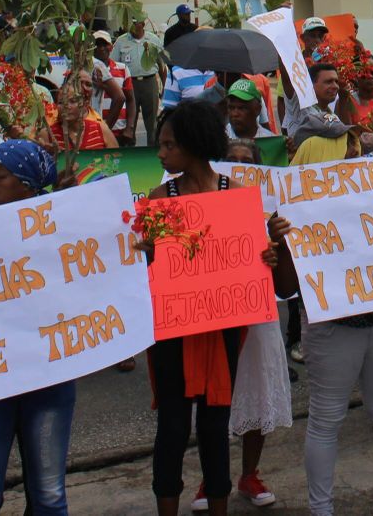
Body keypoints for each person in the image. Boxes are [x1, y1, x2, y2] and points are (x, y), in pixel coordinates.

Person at [267, 185, 373, 516]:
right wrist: (281, 241)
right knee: (326, 419)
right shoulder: (301, 201)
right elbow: (286, 288)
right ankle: (321, 510)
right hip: (332, 328)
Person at [143, 102, 276, 516]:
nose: (161, 154)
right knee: (172, 427)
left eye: (169, 145)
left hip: (221, 330)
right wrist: (147, 252)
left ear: (194, 145)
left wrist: (267, 255)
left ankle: (218, 503)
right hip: (173, 331)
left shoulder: (235, 194)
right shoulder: (159, 199)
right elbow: (150, 268)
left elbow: (249, 258)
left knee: (215, 427)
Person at [0, 140, 75, 516]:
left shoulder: (67, 228)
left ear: (27, 185)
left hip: (49, 380)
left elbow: (103, 272)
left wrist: (137, 253)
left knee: (49, 496)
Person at [192, 138, 293, 512]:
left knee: (257, 391)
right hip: (216, 317)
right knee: (214, 400)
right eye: (231, 160)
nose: (238, 166)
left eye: (246, 161)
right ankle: (211, 478)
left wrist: (277, 248)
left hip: (258, 315)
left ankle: (249, 474)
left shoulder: (272, 218)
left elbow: (286, 286)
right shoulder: (200, 207)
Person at [112, 17, 163, 145]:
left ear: (143, 24)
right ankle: (130, 149)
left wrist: (164, 86)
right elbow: (113, 64)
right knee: (130, 120)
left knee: (152, 121)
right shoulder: (121, 41)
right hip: (129, 84)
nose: (133, 25)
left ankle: (152, 149)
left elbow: (161, 65)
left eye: (135, 23)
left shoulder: (153, 40)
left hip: (149, 82)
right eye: (131, 23)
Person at [48, 81, 118, 152]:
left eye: (72, 101)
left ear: (85, 105)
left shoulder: (101, 130)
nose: (66, 106)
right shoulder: (48, 134)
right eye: (61, 102)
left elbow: (117, 157)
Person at [89, 30, 130, 133]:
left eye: (105, 44)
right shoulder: (89, 68)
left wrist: (129, 127)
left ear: (111, 47)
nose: (101, 48)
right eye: (98, 45)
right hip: (94, 125)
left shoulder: (122, 68)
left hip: (117, 127)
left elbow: (126, 98)